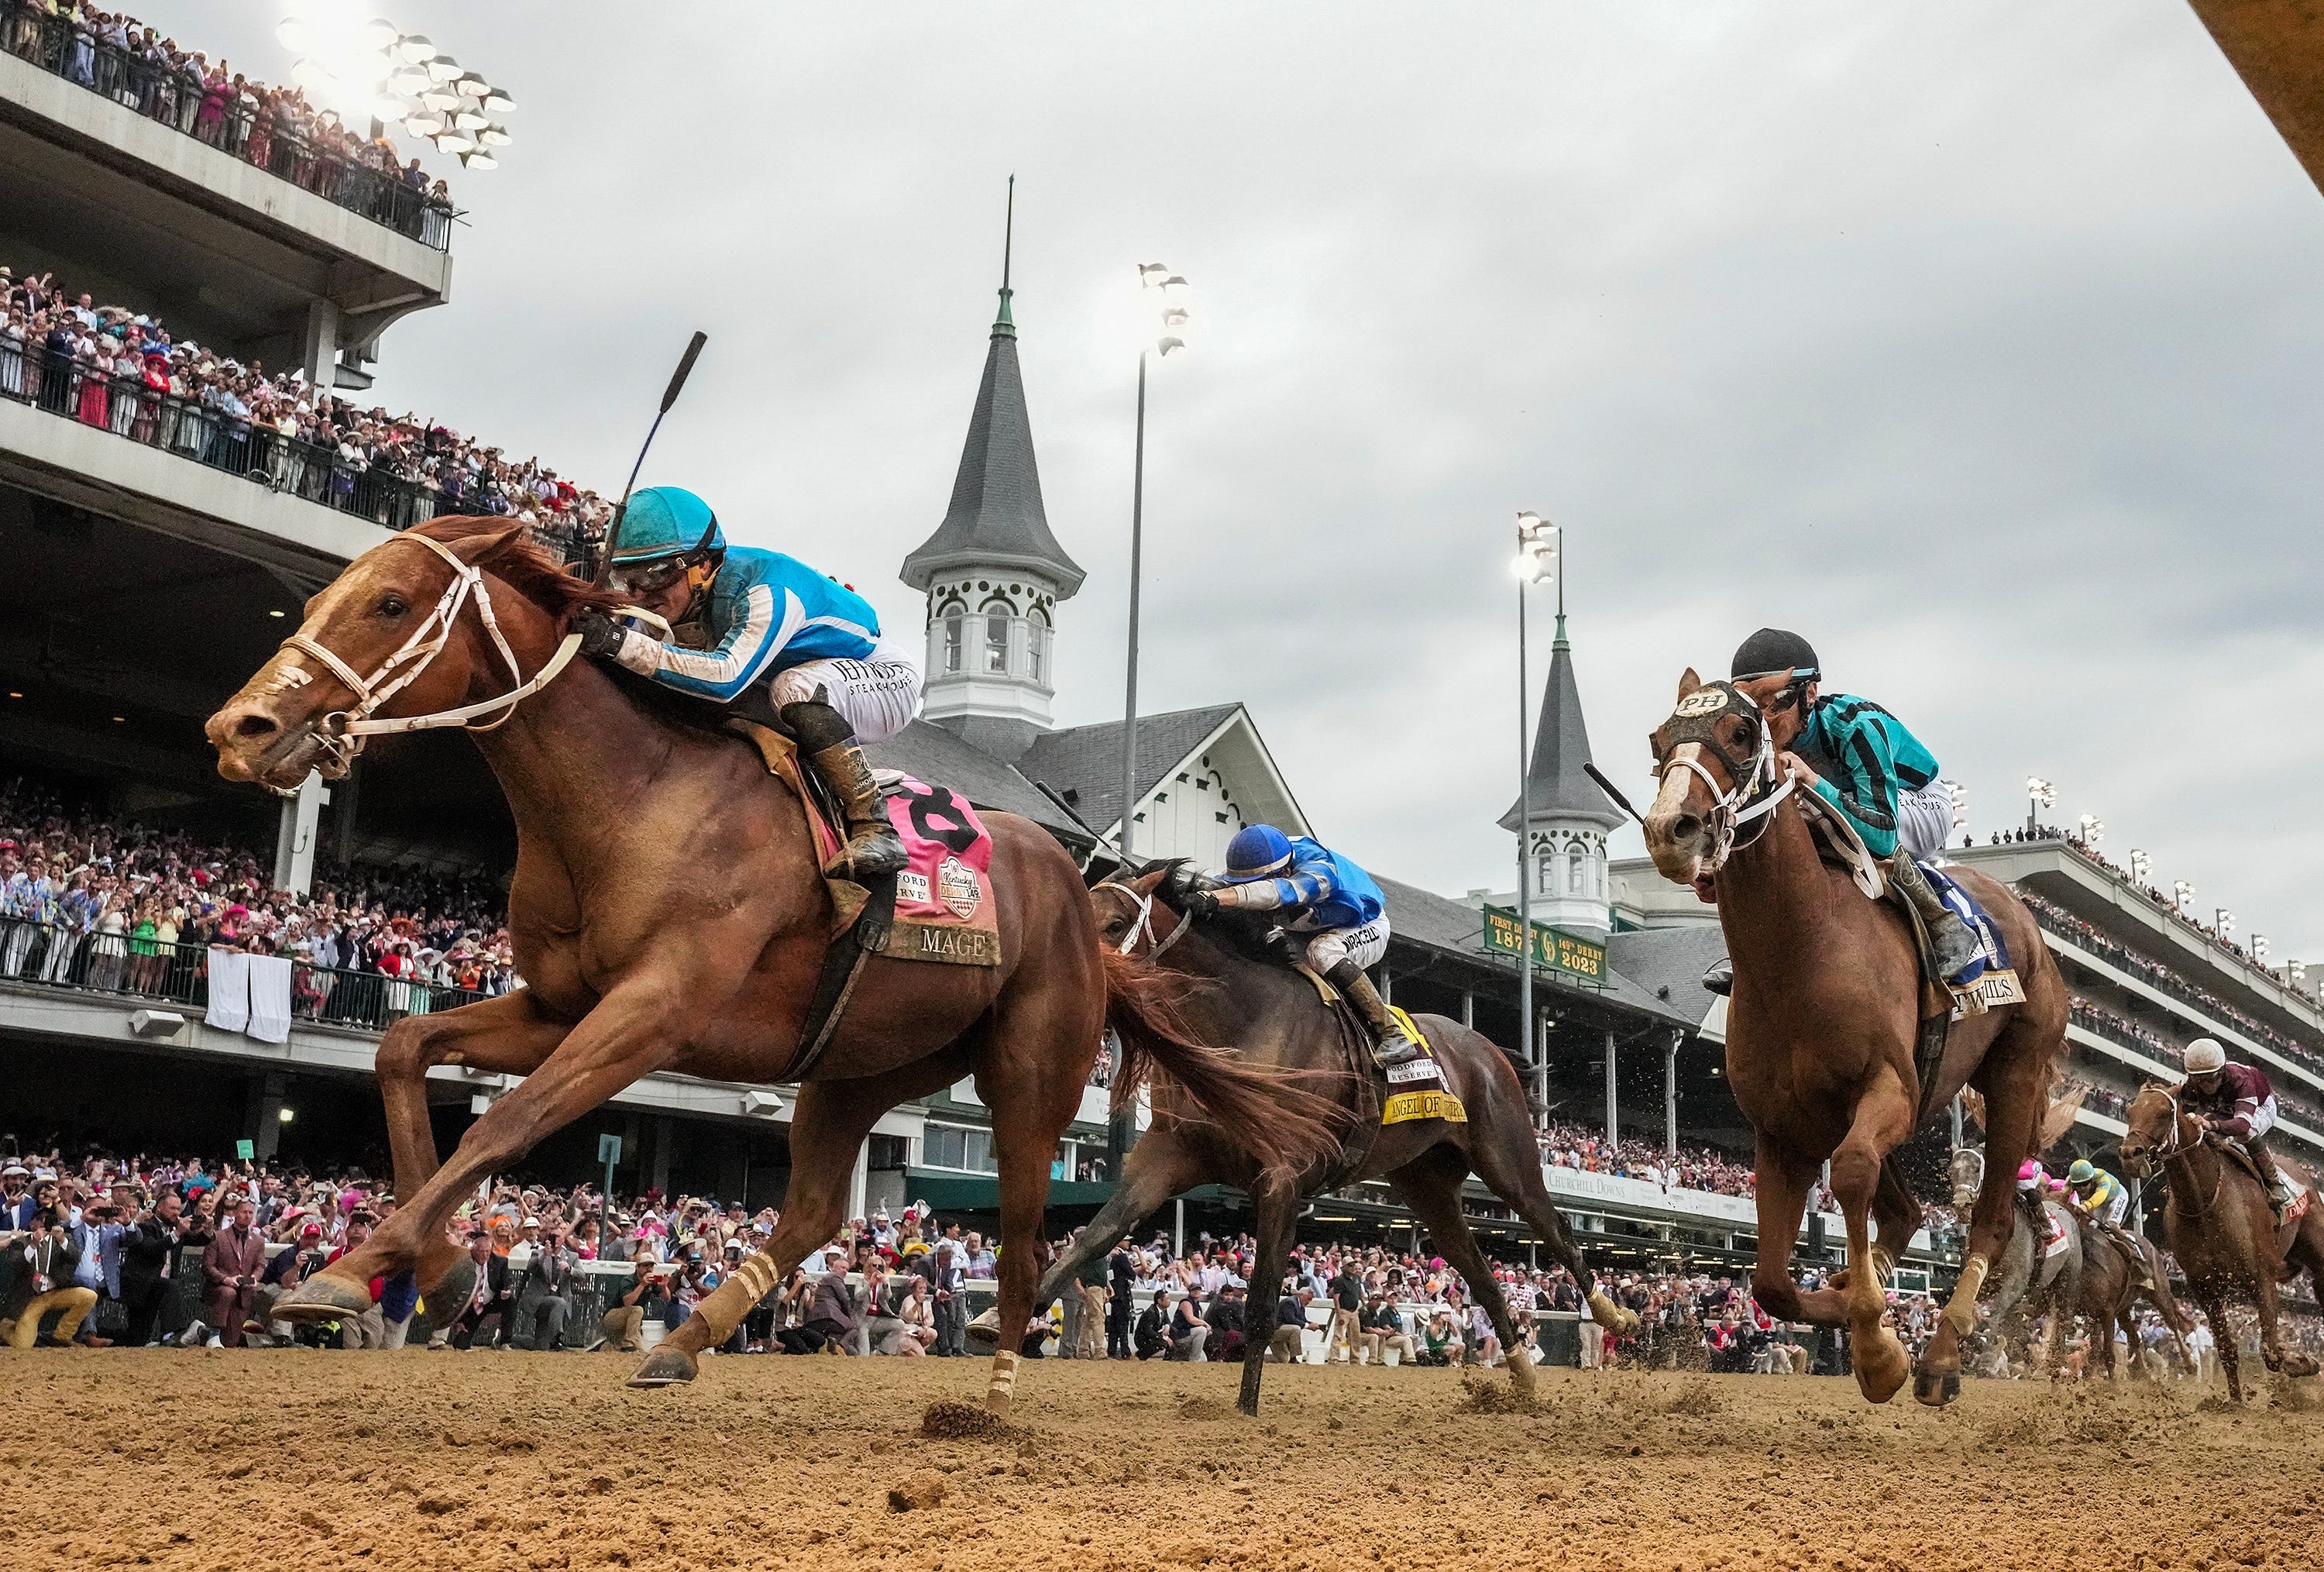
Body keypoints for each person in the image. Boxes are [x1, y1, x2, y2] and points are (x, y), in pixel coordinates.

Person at [571, 486, 920, 878]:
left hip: (884, 678)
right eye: (626, 579)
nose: (639, 595)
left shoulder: (766, 590)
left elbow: (725, 678)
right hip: (799, 675)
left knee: (793, 688)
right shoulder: (678, 594)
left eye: (654, 575)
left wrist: (619, 642)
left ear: (701, 565)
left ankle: (875, 825)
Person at [1703, 629, 1980, 993]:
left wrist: (1815, 783)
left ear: (1810, 694)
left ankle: (1944, 925)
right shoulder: (1756, 742)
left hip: (1918, 800)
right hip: (1848, 801)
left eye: (1775, 705)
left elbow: (1880, 836)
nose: (1764, 721)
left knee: (1825, 821)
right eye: (1754, 709)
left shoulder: (1857, 726)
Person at [1182, 823, 1420, 1066]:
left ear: (1285, 870)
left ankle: (1391, 1033)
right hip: (1307, 929)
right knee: (1271, 956)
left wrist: (1216, 898)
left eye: (1260, 880)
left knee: (1322, 952)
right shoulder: (1267, 861)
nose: (1252, 885)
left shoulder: (1320, 870)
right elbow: (1221, 886)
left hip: (1365, 925)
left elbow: (1275, 893)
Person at [2178, 1038, 2297, 1217]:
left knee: (2245, 1134)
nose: (2205, 1085)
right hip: (2226, 1108)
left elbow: (2242, 1125)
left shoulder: (2241, 1080)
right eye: (2198, 1080)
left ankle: (2275, 1183)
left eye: (2209, 1078)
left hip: (2261, 1106)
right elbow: (2184, 1116)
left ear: (2221, 1071)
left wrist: (2211, 1124)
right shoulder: (2192, 1086)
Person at [3, 1208, 100, 1349]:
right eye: (41, 1218)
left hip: (55, 1292)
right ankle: (5, 1328)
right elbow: (15, 1264)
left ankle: (63, 1335)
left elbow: (74, 1258)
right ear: (32, 1223)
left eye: (49, 1219)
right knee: (23, 1345)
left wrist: (62, 1240)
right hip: (32, 1297)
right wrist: (33, 1244)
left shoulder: (62, 1239)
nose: (44, 1222)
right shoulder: (22, 1241)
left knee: (89, 1296)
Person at [201, 1196, 264, 1347]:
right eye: (244, 1212)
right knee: (228, 1292)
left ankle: (202, 1331)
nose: (247, 1215)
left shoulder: (258, 1241)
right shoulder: (218, 1236)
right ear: (235, 1213)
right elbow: (208, 1266)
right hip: (219, 1288)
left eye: (250, 1212)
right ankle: (214, 1333)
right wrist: (225, 1279)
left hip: (243, 1292)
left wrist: (255, 1278)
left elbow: (261, 1265)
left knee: (230, 1342)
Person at [599, 1254, 658, 1353]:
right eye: (645, 1266)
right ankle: (628, 1343)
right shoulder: (628, 1280)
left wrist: (664, 1286)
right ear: (637, 1267)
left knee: (636, 1349)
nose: (649, 1269)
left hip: (631, 1322)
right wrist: (642, 1285)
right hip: (613, 1316)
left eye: (651, 1266)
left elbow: (666, 1297)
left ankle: (607, 1347)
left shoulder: (652, 1282)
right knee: (638, 1310)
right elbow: (628, 1302)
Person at [1134, 1288, 1171, 1360]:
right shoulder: (1150, 1313)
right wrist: (1165, 1338)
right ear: (1159, 1301)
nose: (1169, 1301)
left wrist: (1167, 1326)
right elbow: (1148, 1331)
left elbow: (1167, 1320)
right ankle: (1141, 1355)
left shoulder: (1163, 1310)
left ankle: (1167, 1359)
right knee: (1163, 1344)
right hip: (1143, 1338)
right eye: (1167, 1298)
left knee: (1173, 1332)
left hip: (1152, 1335)